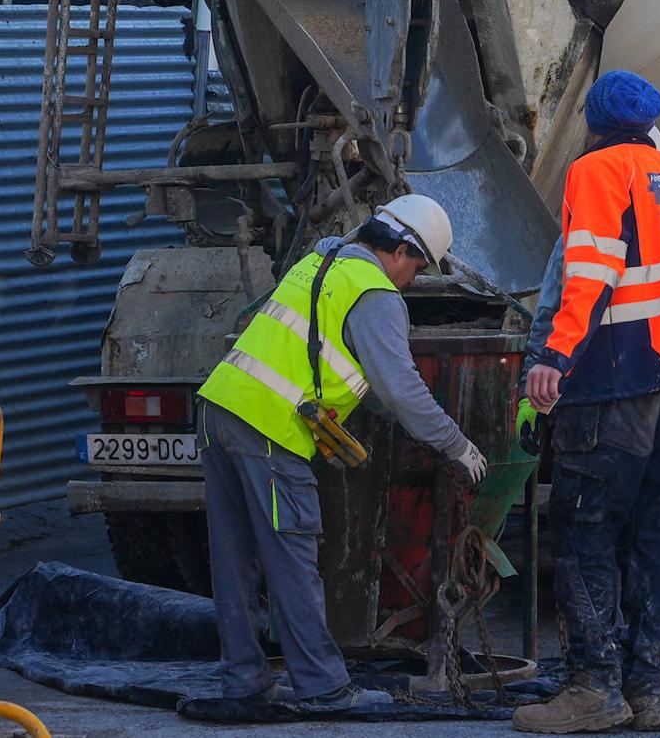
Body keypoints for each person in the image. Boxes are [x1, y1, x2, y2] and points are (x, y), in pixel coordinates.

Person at [195, 194, 489, 714]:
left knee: (234, 559)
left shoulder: (322, 260)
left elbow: (333, 358)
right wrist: (455, 443)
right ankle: (324, 688)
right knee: (293, 561)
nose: (413, 280)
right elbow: (402, 390)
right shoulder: (376, 293)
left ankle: (245, 684)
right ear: (400, 249)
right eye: (416, 266)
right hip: (270, 428)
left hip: (221, 409)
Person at [511, 71, 660, 734]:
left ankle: (590, 690)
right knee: (653, 537)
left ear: (597, 122)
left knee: (582, 535)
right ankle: (647, 694)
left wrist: (550, 359)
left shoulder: (597, 171)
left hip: (613, 381)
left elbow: (586, 272)